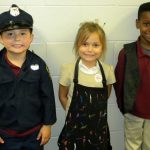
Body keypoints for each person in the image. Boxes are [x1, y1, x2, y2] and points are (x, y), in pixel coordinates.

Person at [0, 4, 56, 150]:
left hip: (34, 135)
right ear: (1, 38)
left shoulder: (39, 64)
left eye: (23, 33)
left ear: (31, 37)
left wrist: (47, 125)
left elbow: (47, 97)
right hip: (5, 136)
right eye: (10, 34)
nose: (17, 39)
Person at [57, 21, 116, 150]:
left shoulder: (107, 70)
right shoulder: (68, 69)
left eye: (95, 45)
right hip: (74, 128)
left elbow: (106, 95)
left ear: (103, 47)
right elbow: (62, 96)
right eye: (85, 44)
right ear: (77, 45)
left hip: (98, 130)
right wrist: (73, 114)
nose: (90, 49)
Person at [114, 2, 150, 150]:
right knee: (132, 147)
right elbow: (119, 85)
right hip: (133, 114)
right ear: (137, 23)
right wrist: (126, 109)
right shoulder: (127, 53)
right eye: (146, 23)